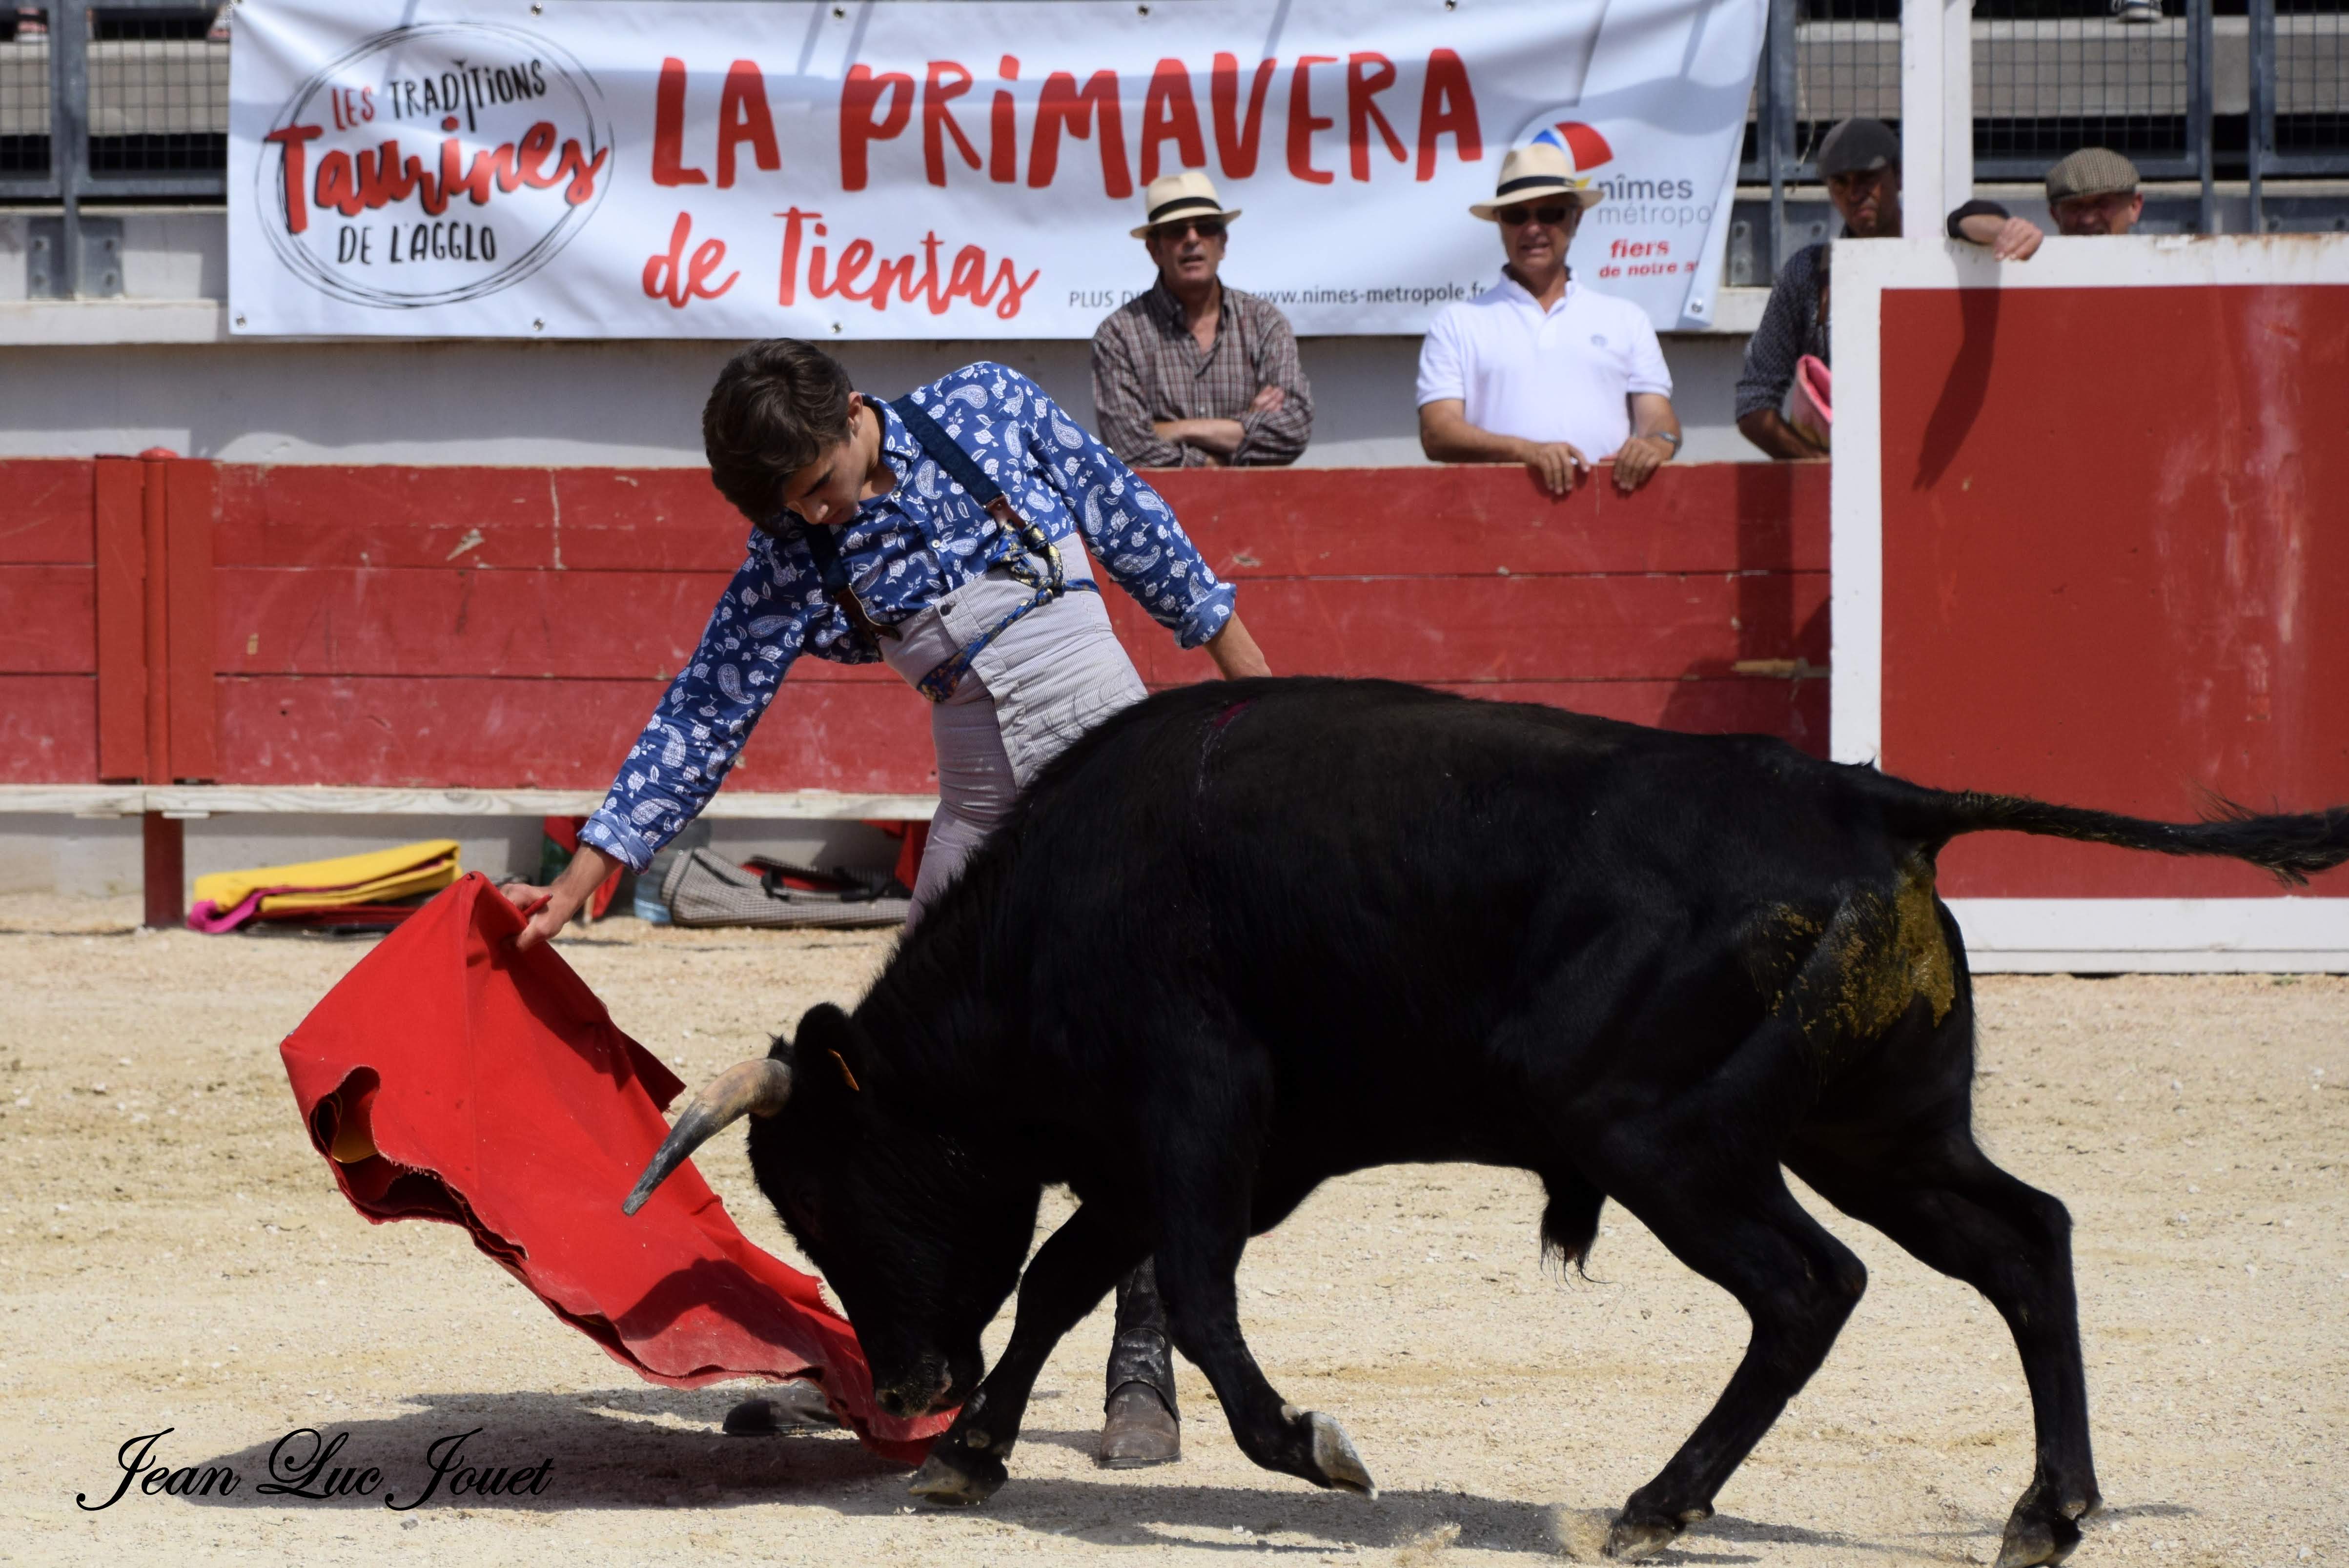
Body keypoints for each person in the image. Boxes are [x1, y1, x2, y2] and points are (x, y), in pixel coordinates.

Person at [502, 341, 1272, 1467]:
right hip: (975, 810)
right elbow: (710, 700)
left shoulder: (986, 404)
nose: (818, 516)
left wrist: (1266, 702)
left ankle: (1142, 1366)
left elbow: (1141, 533)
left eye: (821, 484)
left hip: (1116, 779)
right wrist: (597, 856)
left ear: (857, 413)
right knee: (919, 1105)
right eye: (792, 506)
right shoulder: (793, 547)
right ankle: (927, 1362)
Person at [1416, 142, 1682, 497]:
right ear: (1499, 223)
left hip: (1609, 519)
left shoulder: (1626, 319)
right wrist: (1527, 452)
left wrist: (1657, 444)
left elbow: (1657, 419)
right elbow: (1437, 433)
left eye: (1550, 213)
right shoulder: (1456, 323)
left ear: (1576, 218)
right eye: (1516, 215)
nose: (1533, 228)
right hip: (1494, 522)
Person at [1091, 170, 1313, 468]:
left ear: (1222, 243)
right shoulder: (1119, 334)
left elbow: (1294, 430)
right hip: (1158, 512)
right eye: (1176, 230)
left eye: (1205, 228)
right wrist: (1222, 453)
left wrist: (1178, 429)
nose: (1193, 239)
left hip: (1255, 509)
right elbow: (1129, 447)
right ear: (1154, 249)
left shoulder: (1264, 323)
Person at [1735, 117, 1916, 459]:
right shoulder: (1806, 274)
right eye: (1840, 183)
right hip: (1846, 486)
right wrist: (1817, 466)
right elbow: (1753, 401)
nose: (1854, 193)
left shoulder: (1941, 261)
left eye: (1867, 178)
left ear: (1899, 174)